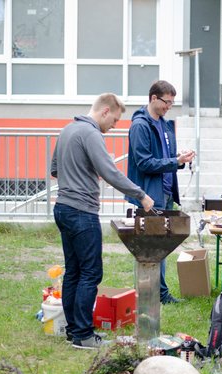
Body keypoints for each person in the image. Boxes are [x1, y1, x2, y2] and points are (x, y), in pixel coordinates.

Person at [51, 93, 154, 349]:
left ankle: (74, 331)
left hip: (62, 208)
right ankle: (84, 335)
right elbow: (109, 171)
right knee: (90, 272)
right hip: (81, 212)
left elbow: (55, 169)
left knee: (73, 271)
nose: (115, 126)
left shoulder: (67, 130)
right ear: (105, 111)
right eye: (116, 120)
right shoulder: (90, 133)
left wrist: (80, 170)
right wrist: (141, 195)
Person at [126, 80, 195, 305]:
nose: (169, 106)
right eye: (167, 102)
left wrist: (180, 160)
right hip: (149, 195)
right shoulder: (140, 125)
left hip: (165, 193)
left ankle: (159, 292)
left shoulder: (165, 125)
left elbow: (167, 158)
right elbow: (145, 163)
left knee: (162, 245)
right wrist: (175, 161)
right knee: (152, 248)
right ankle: (155, 294)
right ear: (153, 98)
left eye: (172, 103)